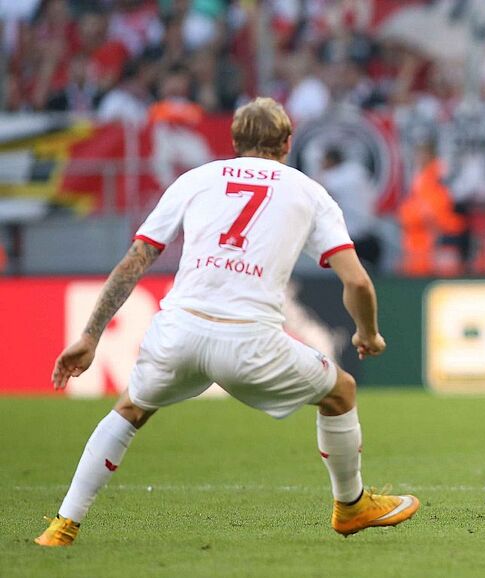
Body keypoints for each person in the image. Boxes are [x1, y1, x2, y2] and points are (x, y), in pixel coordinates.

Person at [35, 97, 419, 547]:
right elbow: (357, 282)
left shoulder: (195, 179)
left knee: (130, 410)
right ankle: (351, 505)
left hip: (179, 331)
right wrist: (367, 333)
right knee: (341, 392)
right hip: (249, 342)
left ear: (234, 143)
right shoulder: (309, 192)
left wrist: (89, 335)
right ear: (287, 143)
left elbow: (134, 261)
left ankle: (63, 525)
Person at [397, 140, 466, 276]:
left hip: (441, 239)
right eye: (417, 154)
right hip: (420, 242)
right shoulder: (421, 177)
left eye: (422, 154)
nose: (418, 157)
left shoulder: (440, 175)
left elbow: (438, 208)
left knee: (442, 277)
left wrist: (420, 215)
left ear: (430, 155)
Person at [318, 147, 383, 271]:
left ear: (330, 160)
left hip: (353, 241)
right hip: (370, 236)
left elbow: (317, 185)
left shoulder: (336, 177)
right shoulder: (357, 171)